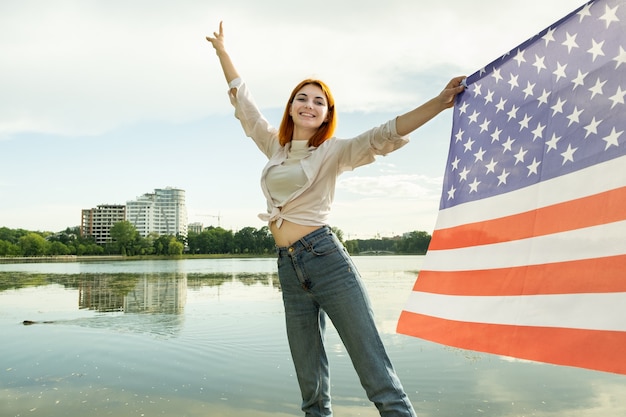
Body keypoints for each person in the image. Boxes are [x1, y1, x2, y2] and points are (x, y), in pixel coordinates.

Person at [206, 21, 465, 417]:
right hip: (290, 270)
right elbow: (245, 105)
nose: (310, 105)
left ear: (327, 113)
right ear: (292, 106)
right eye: (302, 98)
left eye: (319, 102)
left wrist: (439, 101)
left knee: (377, 376)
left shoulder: (333, 152)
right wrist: (223, 52)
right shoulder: (274, 147)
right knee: (311, 388)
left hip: (327, 261)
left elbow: (384, 135)